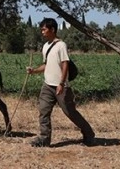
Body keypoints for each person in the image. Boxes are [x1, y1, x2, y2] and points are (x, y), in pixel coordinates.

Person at [26, 17, 95, 147]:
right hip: (47, 85)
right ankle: (44, 139)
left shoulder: (61, 45)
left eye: (44, 29)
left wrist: (61, 83)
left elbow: (65, 65)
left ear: (52, 29)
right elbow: (46, 65)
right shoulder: (46, 46)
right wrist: (34, 71)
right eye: (41, 30)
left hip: (61, 86)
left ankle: (89, 134)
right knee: (43, 111)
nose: (42, 32)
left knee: (70, 112)